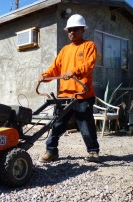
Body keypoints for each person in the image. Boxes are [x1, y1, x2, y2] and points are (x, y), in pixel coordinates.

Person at [38, 14, 100, 163]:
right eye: (69, 30)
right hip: (64, 95)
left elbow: (88, 65)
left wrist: (74, 71)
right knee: (57, 124)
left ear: (82, 30)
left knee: (85, 124)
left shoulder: (89, 46)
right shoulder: (65, 50)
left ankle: (93, 152)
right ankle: (51, 151)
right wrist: (45, 76)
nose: (72, 32)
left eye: (75, 29)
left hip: (82, 94)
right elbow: (55, 68)